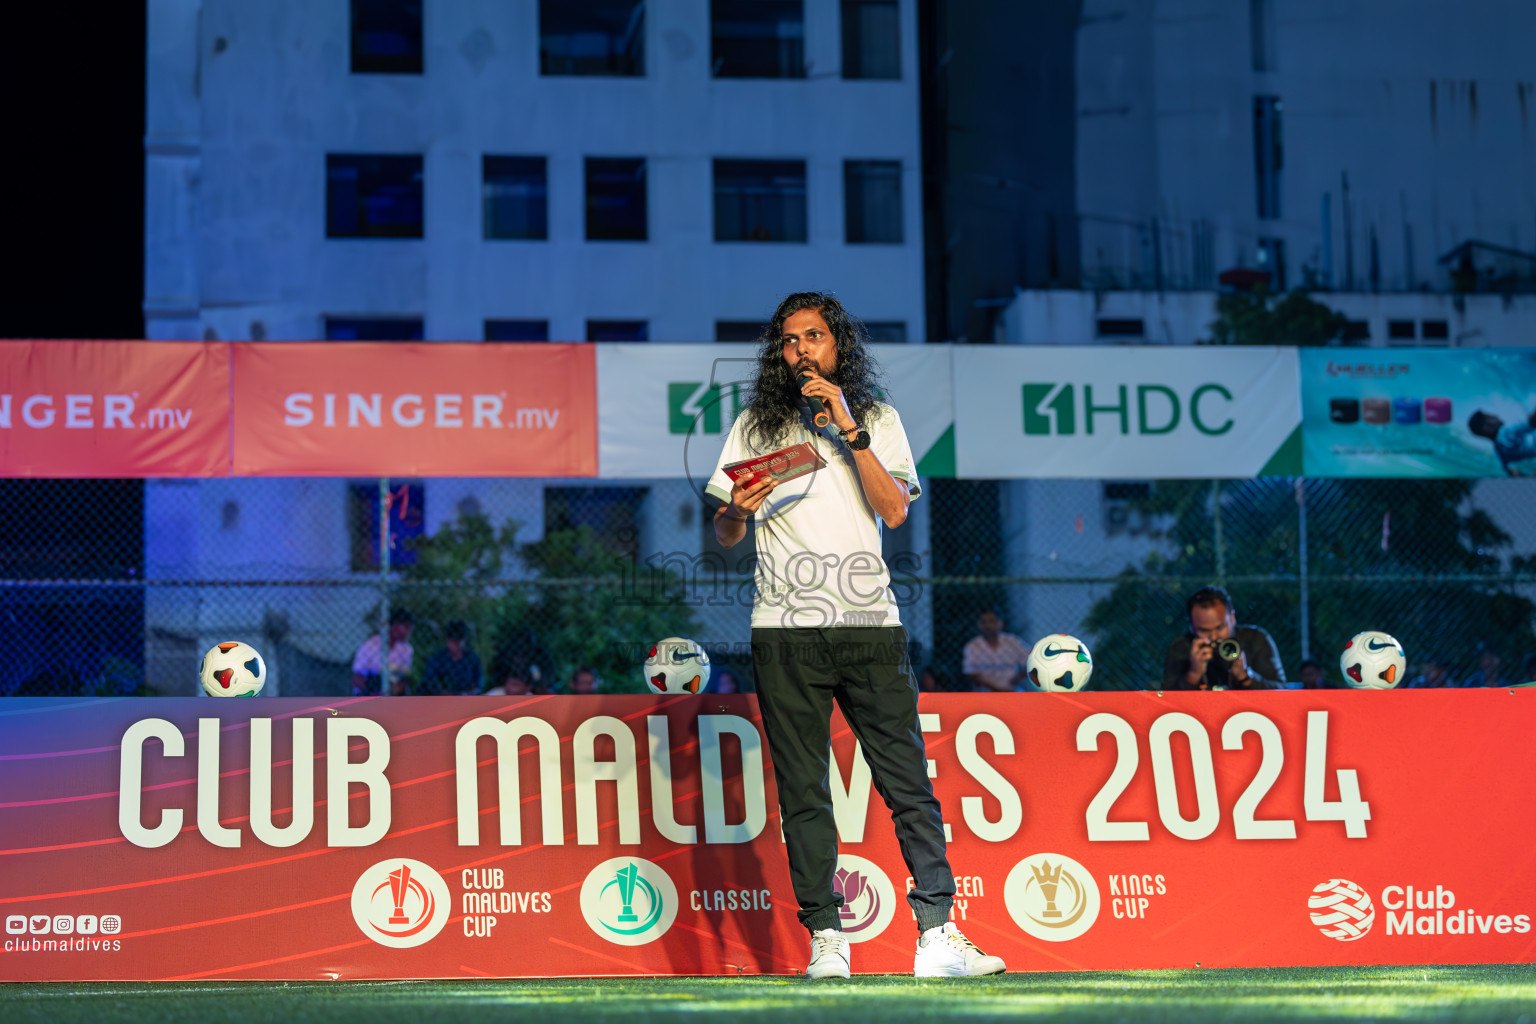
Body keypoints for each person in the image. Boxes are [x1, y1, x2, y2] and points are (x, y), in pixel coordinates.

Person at [707, 291, 1004, 981]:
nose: (800, 349)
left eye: (814, 336)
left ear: (838, 345)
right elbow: (725, 530)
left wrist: (850, 428)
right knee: (804, 789)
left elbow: (894, 509)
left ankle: (937, 933)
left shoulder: (874, 416)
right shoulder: (755, 426)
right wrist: (736, 514)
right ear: (777, 353)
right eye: (788, 340)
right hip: (785, 632)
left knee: (907, 782)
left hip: (870, 626)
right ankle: (827, 939)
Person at [1162, 586, 1285, 691]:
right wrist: (1193, 675)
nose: (1214, 637)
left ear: (1232, 618)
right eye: (1204, 631)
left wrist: (1246, 677)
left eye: (1220, 628)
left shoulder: (1256, 640)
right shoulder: (1181, 648)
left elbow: (1283, 693)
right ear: (1191, 626)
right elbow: (1164, 702)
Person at [960, 609, 1032, 692]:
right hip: (984, 693)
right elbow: (971, 673)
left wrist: (1019, 677)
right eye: (984, 622)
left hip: (1011, 689)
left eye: (991, 621)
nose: (988, 625)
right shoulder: (972, 646)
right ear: (979, 625)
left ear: (1000, 623)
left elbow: (1032, 661)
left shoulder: (1012, 641)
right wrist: (997, 689)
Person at [350, 608, 413, 696]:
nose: (408, 631)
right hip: (369, 687)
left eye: (410, 628)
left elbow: (403, 676)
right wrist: (374, 693)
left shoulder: (406, 649)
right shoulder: (370, 645)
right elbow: (357, 679)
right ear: (394, 626)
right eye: (406, 627)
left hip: (391, 686)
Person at [418, 620, 483, 695]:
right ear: (447, 640)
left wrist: (465, 694)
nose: (456, 646)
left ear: (464, 641)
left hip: (465, 699)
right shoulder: (437, 658)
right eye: (453, 641)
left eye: (458, 641)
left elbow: (478, 685)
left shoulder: (473, 659)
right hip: (440, 698)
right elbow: (427, 682)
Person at [1468, 408, 1536, 477]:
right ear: (1487, 427)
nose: (1496, 416)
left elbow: (1512, 472)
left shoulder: (1499, 451)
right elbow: (1532, 422)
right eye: (1490, 416)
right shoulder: (1506, 434)